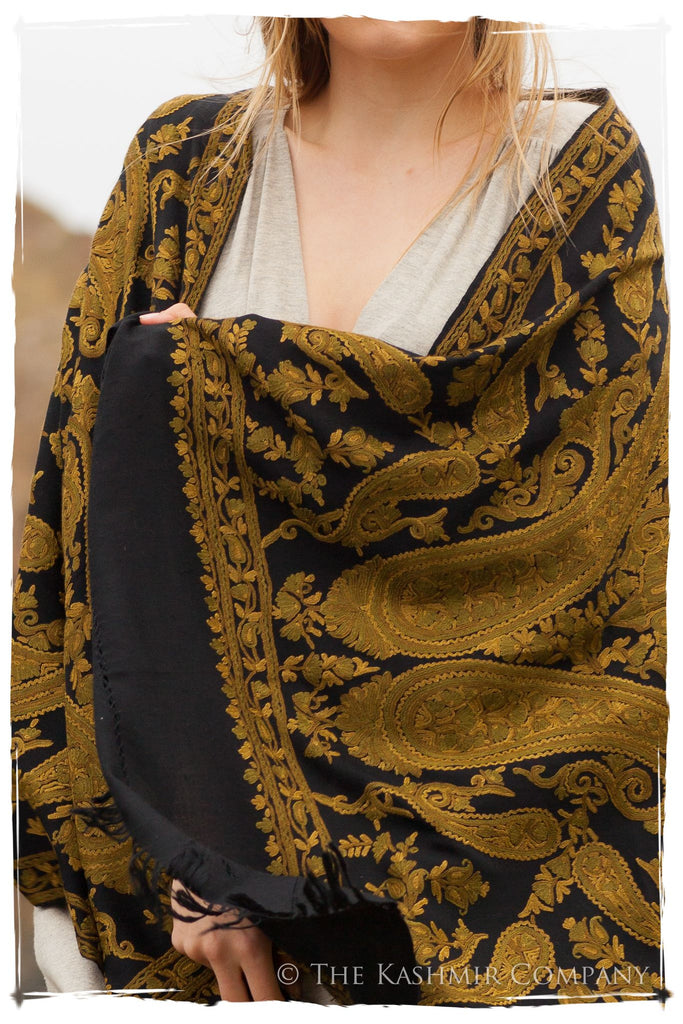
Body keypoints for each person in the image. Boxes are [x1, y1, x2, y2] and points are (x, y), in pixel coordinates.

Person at [13, 16, 669, 1006]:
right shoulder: (182, 168)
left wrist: (218, 377)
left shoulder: (578, 176)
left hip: (482, 928)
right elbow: (83, 529)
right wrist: (200, 862)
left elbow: (588, 577)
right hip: (194, 942)